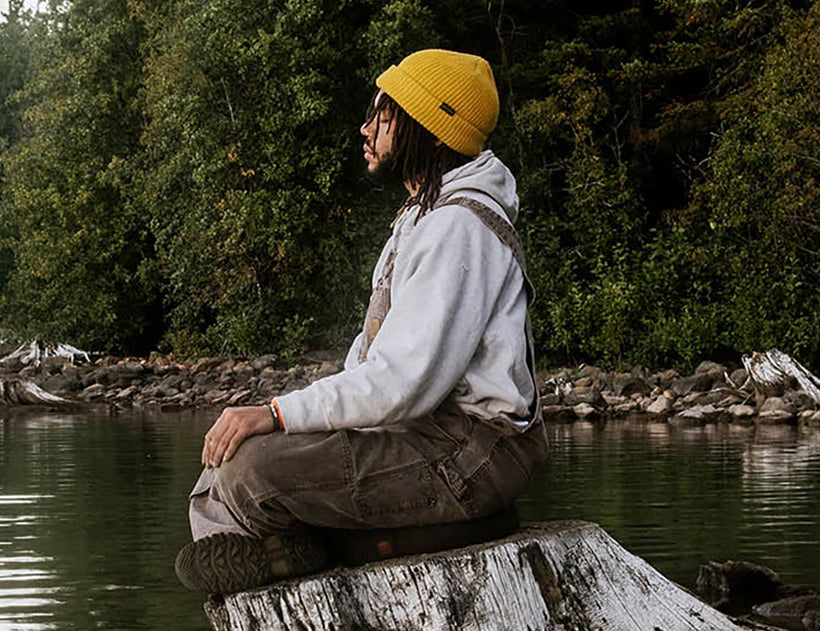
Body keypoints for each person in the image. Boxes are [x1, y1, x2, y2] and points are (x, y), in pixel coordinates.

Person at [175, 48, 544, 594]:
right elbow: (370, 366)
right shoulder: (425, 218)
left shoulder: (458, 229)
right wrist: (290, 422)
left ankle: (285, 552)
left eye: (383, 116)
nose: (366, 128)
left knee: (249, 472)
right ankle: (277, 550)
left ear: (430, 131)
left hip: (473, 454)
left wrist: (276, 414)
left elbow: (401, 383)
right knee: (228, 458)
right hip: (429, 438)